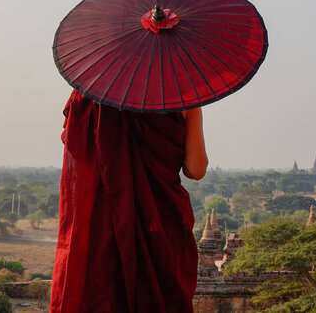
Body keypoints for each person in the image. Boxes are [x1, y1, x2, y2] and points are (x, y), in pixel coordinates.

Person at [50, 90, 208, 313]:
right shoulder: (183, 96)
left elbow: (75, 147)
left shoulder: (90, 94)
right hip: (161, 224)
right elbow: (196, 169)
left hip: (104, 225)